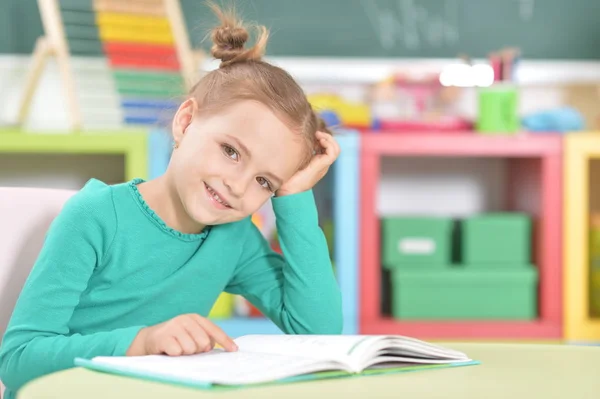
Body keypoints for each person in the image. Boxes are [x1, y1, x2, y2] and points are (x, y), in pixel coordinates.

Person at [0, 3, 342, 398]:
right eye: (231, 151)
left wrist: (294, 196)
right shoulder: (94, 217)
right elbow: (20, 360)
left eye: (264, 182)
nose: (237, 186)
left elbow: (317, 331)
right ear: (185, 123)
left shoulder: (233, 237)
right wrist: (142, 343)